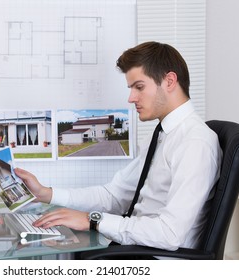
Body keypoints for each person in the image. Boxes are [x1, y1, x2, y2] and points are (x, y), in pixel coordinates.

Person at [14, 41, 222, 251]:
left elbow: (169, 234)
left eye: (139, 87)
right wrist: (47, 194)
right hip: (136, 250)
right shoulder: (160, 135)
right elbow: (114, 196)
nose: (131, 98)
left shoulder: (195, 143)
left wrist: (93, 220)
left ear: (169, 81)